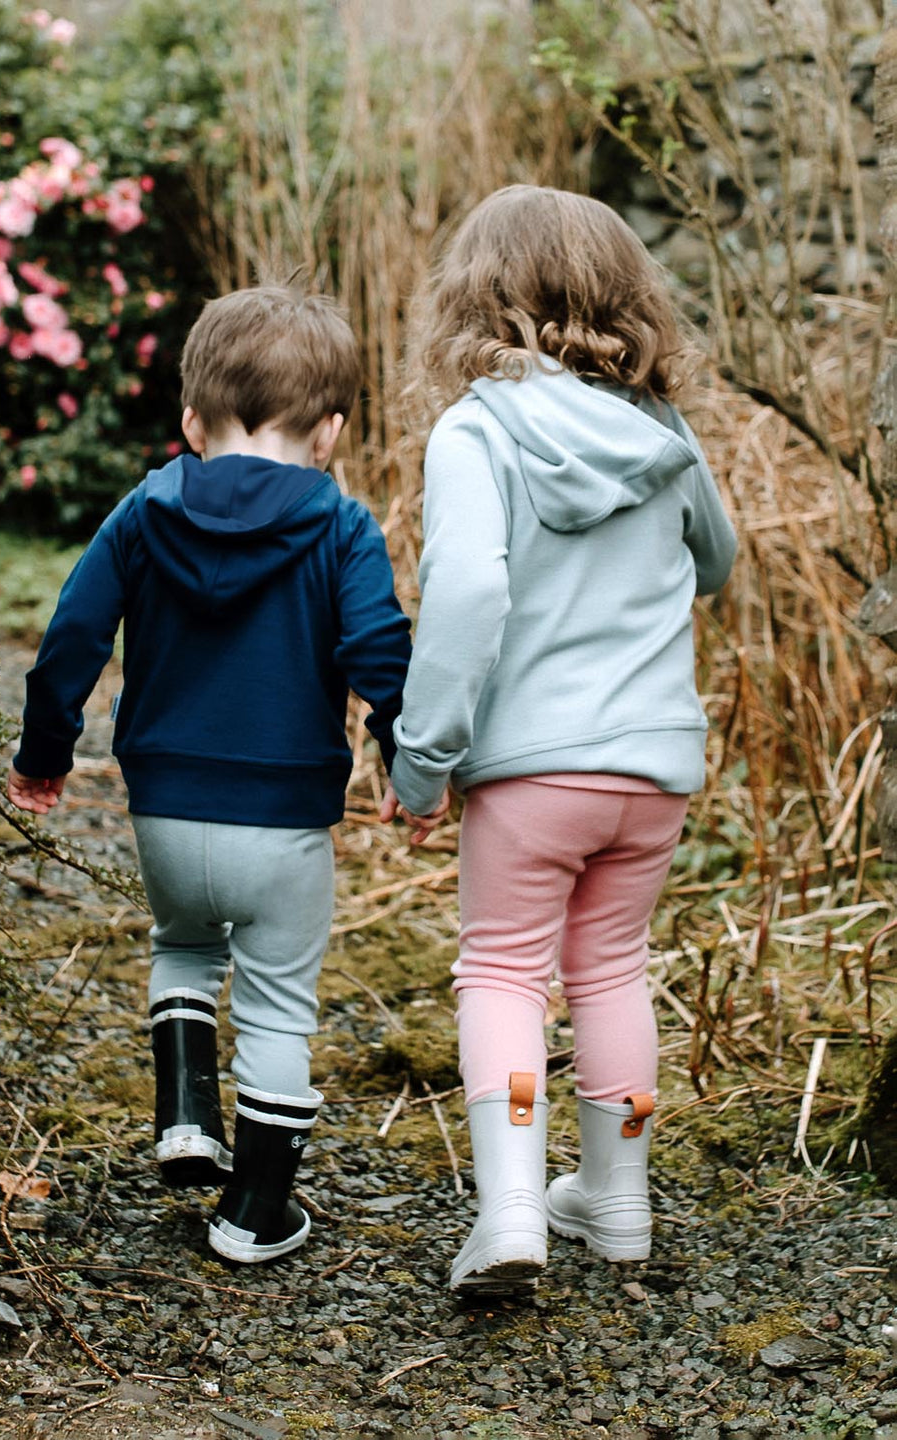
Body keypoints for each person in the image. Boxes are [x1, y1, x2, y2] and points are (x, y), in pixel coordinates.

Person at [8, 284, 411, 1264]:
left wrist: (44, 755)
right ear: (332, 431)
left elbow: (72, 634)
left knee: (183, 947)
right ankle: (254, 1214)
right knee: (276, 1000)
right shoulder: (343, 526)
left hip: (166, 807)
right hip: (283, 819)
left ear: (190, 420)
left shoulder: (145, 511)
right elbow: (378, 651)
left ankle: (187, 1115)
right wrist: (406, 758)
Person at [381, 185, 737, 1293]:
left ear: (476, 303)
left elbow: (469, 599)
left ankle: (514, 1215)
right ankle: (618, 1204)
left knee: (501, 969)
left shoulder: (476, 429)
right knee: (613, 970)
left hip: (535, 769)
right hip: (656, 767)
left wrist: (422, 759)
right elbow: (717, 563)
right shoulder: (661, 434)